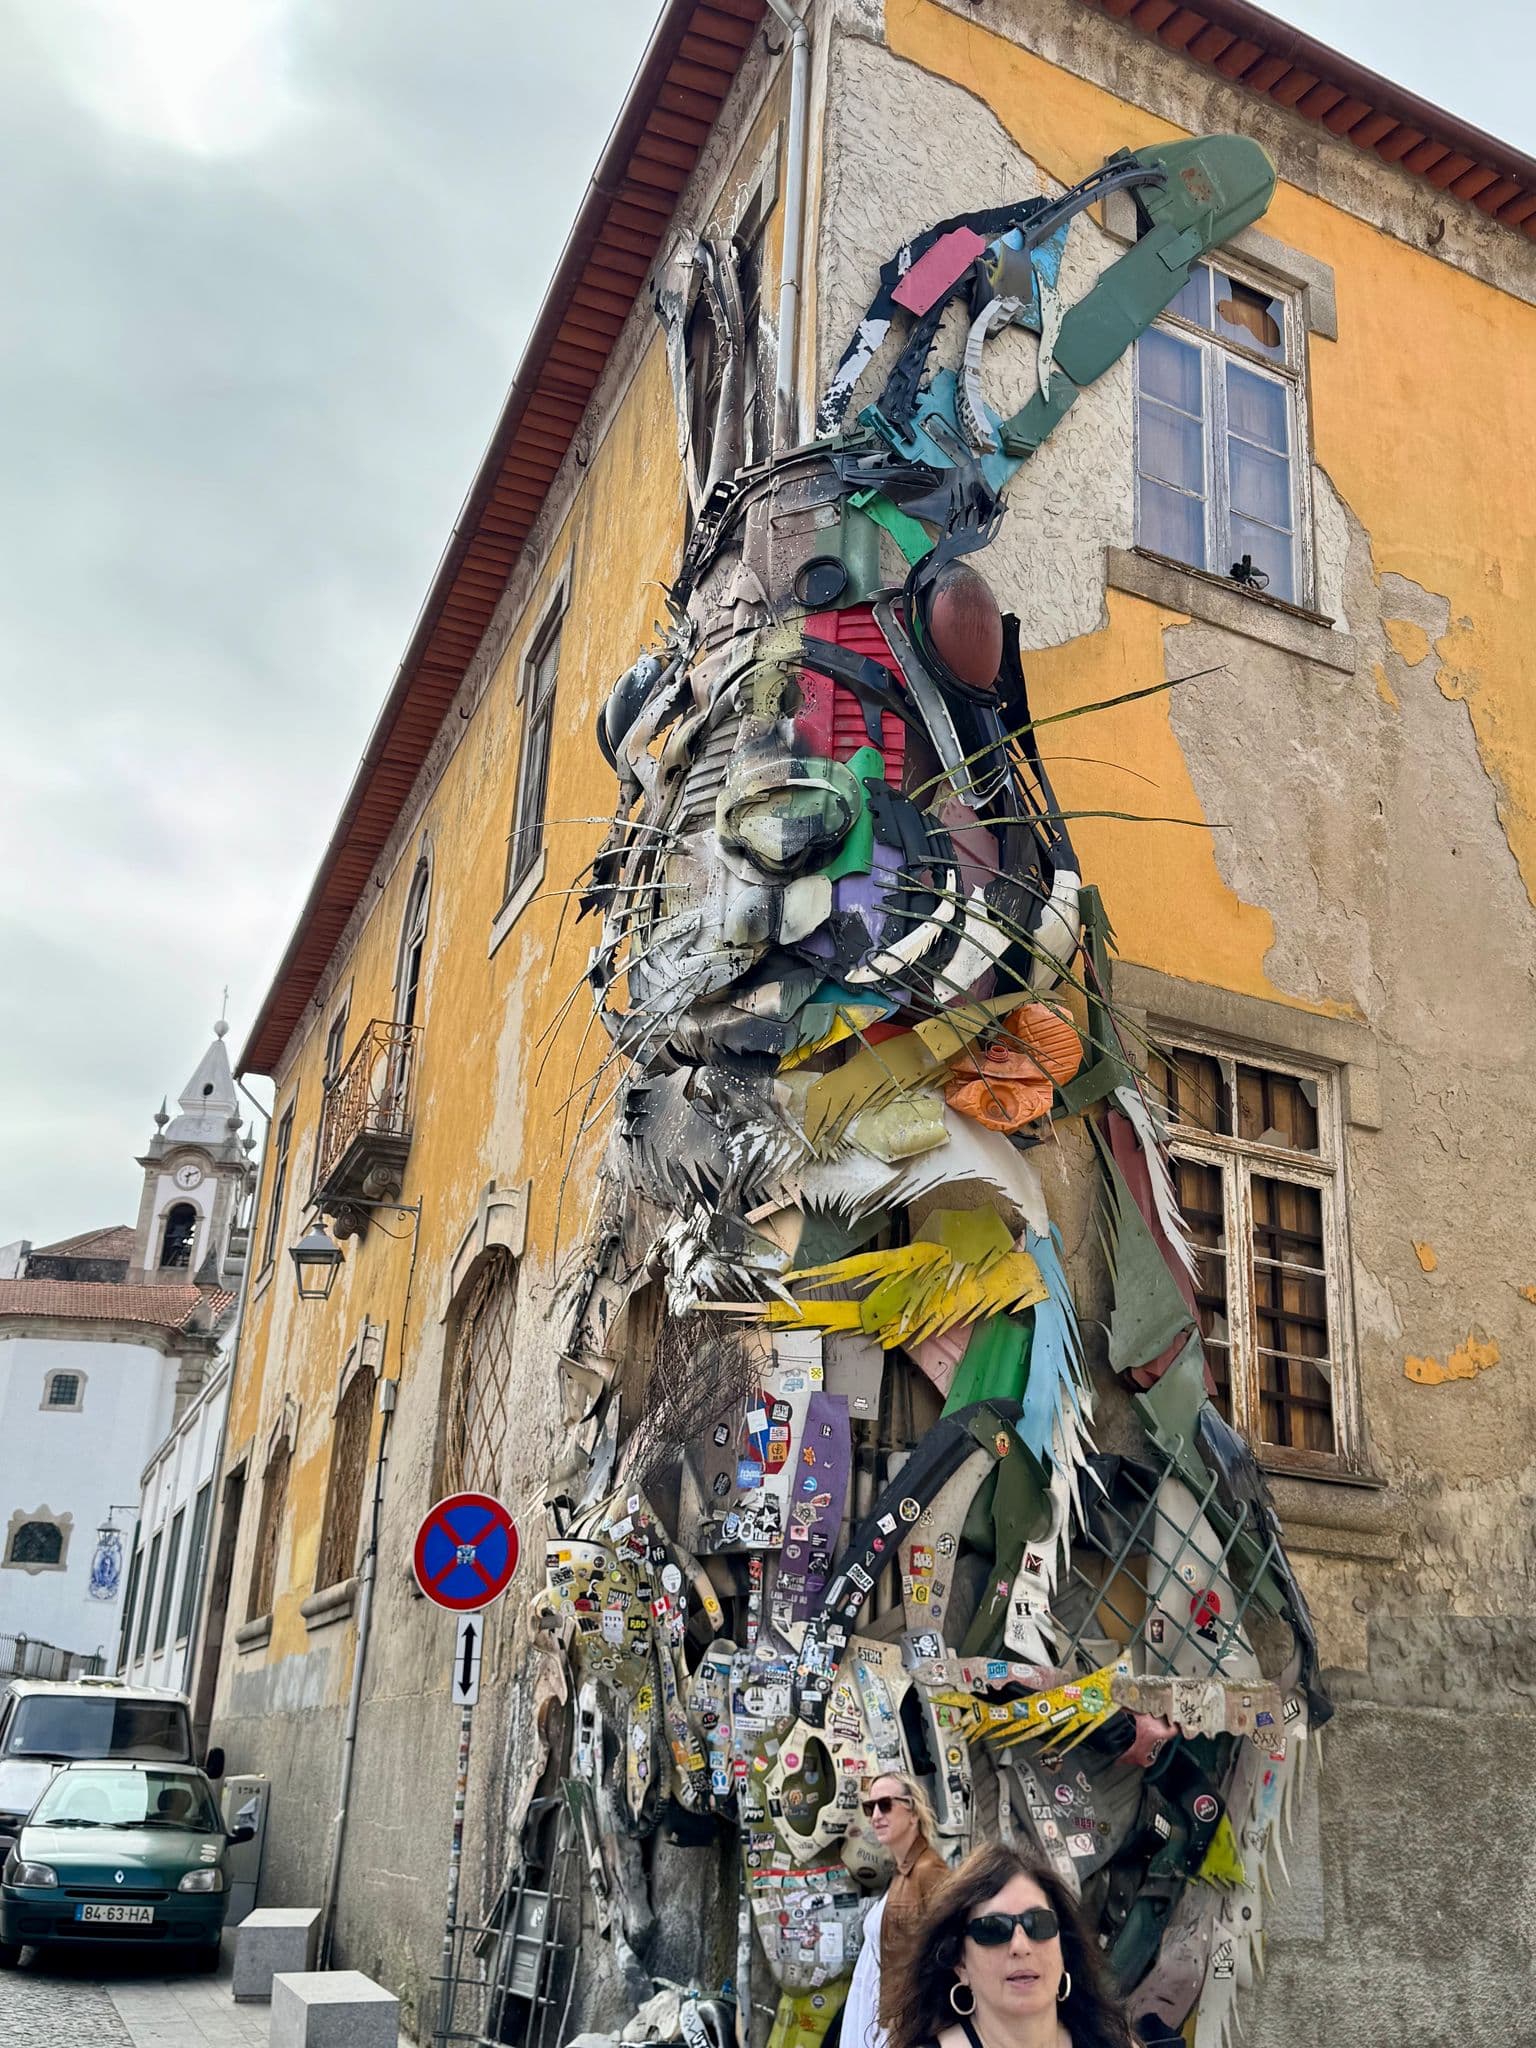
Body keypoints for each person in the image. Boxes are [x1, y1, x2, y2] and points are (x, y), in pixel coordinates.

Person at [883, 1842, 1138, 2048]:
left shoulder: (1113, 2041)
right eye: (993, 1929)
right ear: (960, 1963)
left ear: (1062, 1947)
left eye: (1038, 1923)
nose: (1020, 1945)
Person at [841, 1773, 948, 2048]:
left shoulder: (929, 1871)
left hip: (899, 2021)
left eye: (885, 1804)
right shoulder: (902, 1872)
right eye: (870, 1807)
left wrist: (910, 2022)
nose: (876, 1815)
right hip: (874, 2008)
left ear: (913, 1812)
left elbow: (947, 1953)